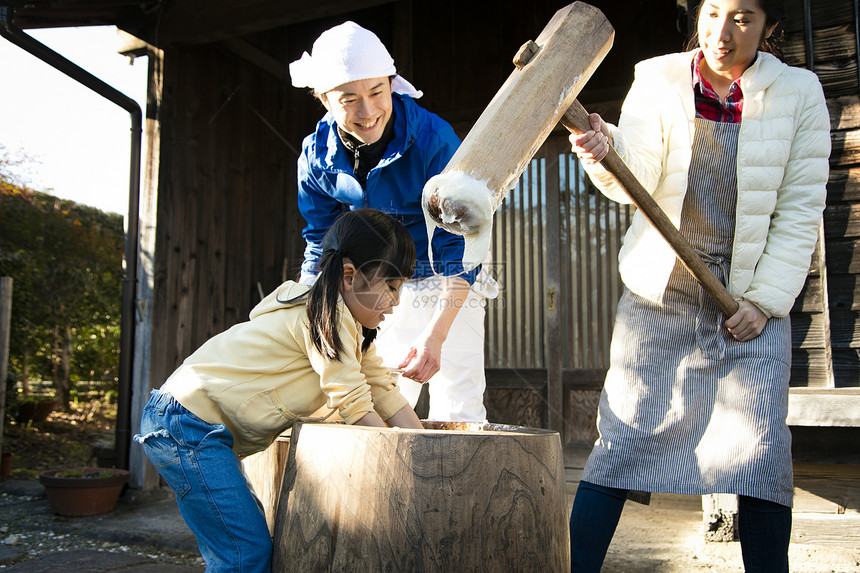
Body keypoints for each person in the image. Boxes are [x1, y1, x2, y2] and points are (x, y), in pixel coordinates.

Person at [566, 1, 830, 571]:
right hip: (663, 293)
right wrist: (604, 153)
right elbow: (632, 177)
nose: (722, 32)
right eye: (713, 13)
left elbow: (800, 205)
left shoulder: (799, 93)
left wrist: (763, 303)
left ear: (769, 27)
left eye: (742, 18)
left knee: (760, 454)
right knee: (621, 441)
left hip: (748, 301)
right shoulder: (657, 77)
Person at [134, 209, 424, 573]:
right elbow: (352, 399)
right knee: (244, 553)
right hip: (186, 424)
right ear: (349, 276)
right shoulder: (322, 315)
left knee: (247, 546)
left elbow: (383, 391)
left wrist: (422, 446)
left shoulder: (351, 331)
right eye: (392, 287)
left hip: (199, 430)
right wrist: (403, 464)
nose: (396, 302)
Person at [289, 21, 497, 423]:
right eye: (348, 99)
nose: (367, 112)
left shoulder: (435, 141)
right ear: (324, 100)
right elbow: (320, 241)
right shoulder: (315, 157)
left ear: (391, 83)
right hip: (378, 286)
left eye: (377, 92)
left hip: (448, 280)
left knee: (457, 401)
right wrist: (303, 308)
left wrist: (436, 335)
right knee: (380, 401)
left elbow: (463, 249)